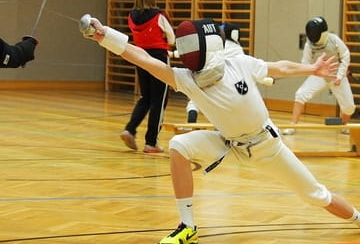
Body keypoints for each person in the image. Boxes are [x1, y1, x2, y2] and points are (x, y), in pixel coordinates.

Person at [80, 16, 360, 244]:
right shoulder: (186, 78)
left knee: (316, 195)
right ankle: (187, 226)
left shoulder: (238, 64)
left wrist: (311, 69)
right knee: (179, 145)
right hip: (229, 145)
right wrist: (105, 37)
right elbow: (143, 58)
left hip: (268, 148)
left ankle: (358, 219)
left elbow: (279, 68)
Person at [180, 22, 273, 123]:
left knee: (195, 98)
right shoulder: (237, 49)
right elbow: (247, 71)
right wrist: (266, 80)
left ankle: (191, 122)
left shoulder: (215, 44)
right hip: (224, 82)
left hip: (204, 76)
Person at [121, 0, 175, 153]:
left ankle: (129, 129)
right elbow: (172, 38)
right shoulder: (159, 15)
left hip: (140, 57)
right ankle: (151, 142)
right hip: (158, 58)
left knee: (146, 98)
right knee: (159, 101)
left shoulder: (131, 16)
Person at [283, 16, 355, 135]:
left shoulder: (334, 40)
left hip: (336, 75)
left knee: (349, 107)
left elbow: (345, 55)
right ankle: (292, 126)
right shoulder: (309, 45)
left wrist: (340, 75)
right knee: (300, 94)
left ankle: (343, 125)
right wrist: (311, 70)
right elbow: (305, 63)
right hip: (319, 75)